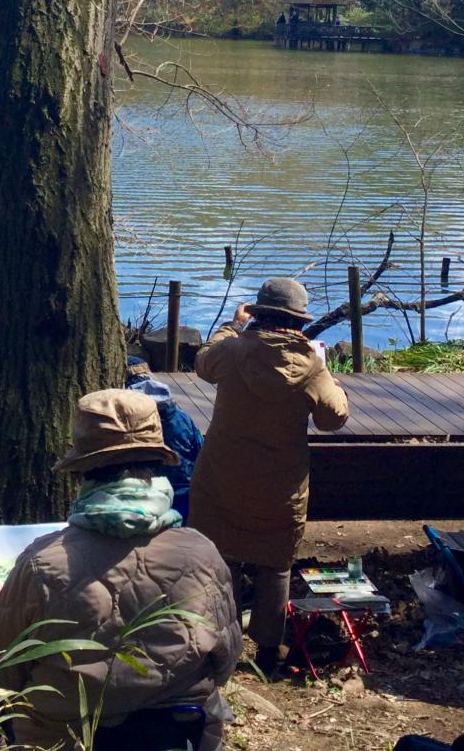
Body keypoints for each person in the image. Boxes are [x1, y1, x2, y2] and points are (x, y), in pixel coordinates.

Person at [0, 389, 240, 751]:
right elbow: (225, 664)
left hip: (64, 743)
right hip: (180, 738)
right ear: (157, 466)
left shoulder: (41, 564)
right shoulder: (202, 554)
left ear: (83, 472)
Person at [188, 277, 349, 674]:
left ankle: (213, 645)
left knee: (221, 559)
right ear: (297, 321)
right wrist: (334, 381)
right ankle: (267, 651)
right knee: (275, 565)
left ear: (258, 314)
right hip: (281, 482)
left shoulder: (232, 350)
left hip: (222, 474)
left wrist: (232, 325)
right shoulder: (311, 365)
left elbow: (202, 363)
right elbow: (334, 418)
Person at [127, 357, 203, 522]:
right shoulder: (183, 419)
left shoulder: (132, 424)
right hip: (186, 497)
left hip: (149, 503)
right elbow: (201, 451)